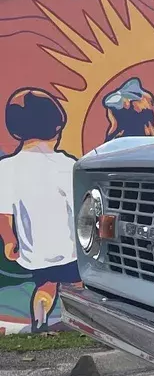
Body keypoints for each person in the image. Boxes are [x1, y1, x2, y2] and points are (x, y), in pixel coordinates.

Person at [0, 88, 79, 332]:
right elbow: (78, 212)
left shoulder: (7, 168)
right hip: (69, 249)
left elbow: (4, 213)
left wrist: (9, 241)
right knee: (76, 285)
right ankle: (78, 322)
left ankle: (40, 323)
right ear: (58, 128)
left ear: (15, 131)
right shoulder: (69, 166)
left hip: (34, 252)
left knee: (45, 286)